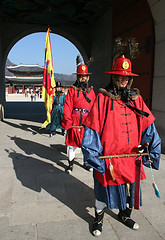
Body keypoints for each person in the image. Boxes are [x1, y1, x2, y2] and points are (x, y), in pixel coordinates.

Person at [81, 38, 161, 236]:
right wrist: (93, 154)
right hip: (108, 159)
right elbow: (92, 129)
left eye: (126, 78)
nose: (123, 80)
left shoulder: (136, 98)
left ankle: (124, 214)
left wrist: (152, 147)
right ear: (114, 77)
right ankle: (98, 218)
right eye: (119, 77)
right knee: (102, 189)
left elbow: (148, 125)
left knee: (129, 190)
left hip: (130, 158)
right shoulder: (103, 98)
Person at [62, 56, 96, 174]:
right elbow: (67, 106)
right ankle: (70, 164)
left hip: (87, 121)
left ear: (88, 77)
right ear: (78, 77)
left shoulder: (91, 91)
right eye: (81, 76)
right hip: (75, 120)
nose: (83, 78)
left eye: (85, 76)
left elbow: (94, 108)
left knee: (86, 144)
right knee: (72, 145)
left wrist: (94, 122)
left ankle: (86, 163)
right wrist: (68, 121)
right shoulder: (72, 90)